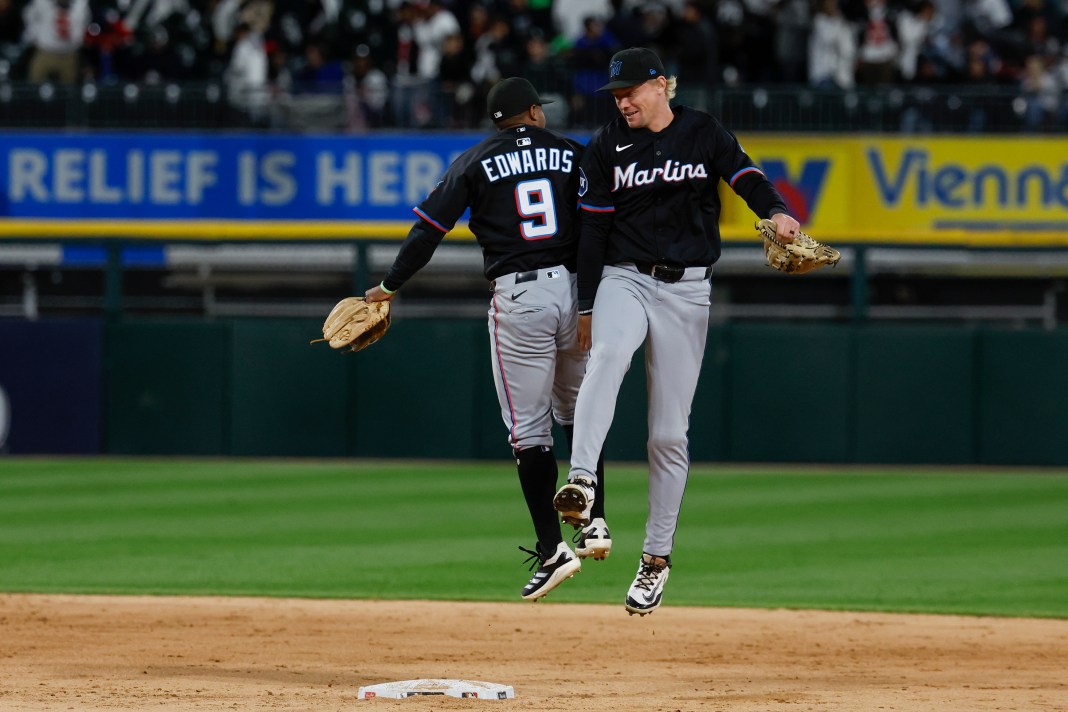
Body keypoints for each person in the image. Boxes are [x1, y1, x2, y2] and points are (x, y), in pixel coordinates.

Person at [552, 47, 801, 616]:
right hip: (624, 277)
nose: (622, 101)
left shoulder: (703, 131)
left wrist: (778, 212)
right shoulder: (604, 146)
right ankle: (584, 480)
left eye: (632, 90)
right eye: (616, 94)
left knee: (668, 435)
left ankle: (655, 560)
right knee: (609, 354)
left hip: (688, 290)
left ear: (662, 85)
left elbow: (745, 176)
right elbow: (591, 235)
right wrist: (587, 305)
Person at [364, 77, 609, 601]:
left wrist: (389, 286)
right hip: (576, 290)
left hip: (521, 298)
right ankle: (596, 522)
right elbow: (601, 225)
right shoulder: (572, 153)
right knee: (579, 411)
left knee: (528, 432)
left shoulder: (475, 160)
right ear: (534, 113)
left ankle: (551, 550)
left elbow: (429, 229)